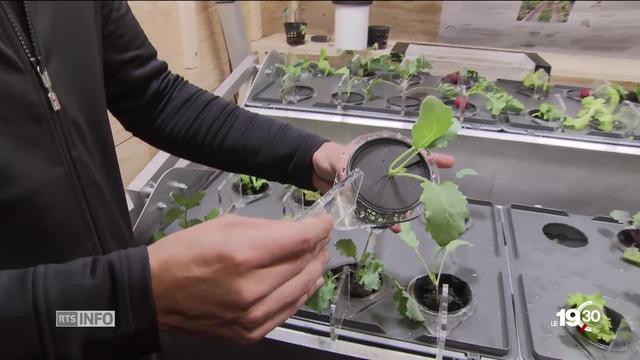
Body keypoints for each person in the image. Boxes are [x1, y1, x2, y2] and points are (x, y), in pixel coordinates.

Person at [0, 1, 454, 358]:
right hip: (62, 323)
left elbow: (151, 95)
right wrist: (126, 297)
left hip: (114, 325)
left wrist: (311, 155)